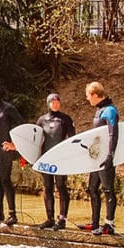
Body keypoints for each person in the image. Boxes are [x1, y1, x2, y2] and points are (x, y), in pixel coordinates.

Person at [34, 94, 75, 230]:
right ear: (48, 103)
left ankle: (62, 220)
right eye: (53, 102)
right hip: (46, 158)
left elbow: (72, 139)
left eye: (58, 101)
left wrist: (70, 156)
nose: (56, 104)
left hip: (60, 159)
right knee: (48, 188)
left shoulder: (65, 119)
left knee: (61, 187)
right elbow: (35, 141)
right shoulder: (41, 120)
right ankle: (50, 219)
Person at [83, 82, 118, 236]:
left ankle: (109, 225)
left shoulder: (110, 110)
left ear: (96, 95)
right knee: (92, 188)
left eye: (88, 95)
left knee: (108, 189)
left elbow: (113, 134)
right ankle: (95, 222)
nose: (87, 98)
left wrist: (110, 156)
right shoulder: (99, 110)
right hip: (96, 157)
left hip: (106, 157)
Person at [0, 83, 24, 225]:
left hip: (5, 150)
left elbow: (22, 125)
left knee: (5, 180)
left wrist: (14, 144)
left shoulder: (8, 108)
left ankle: (12, 214)